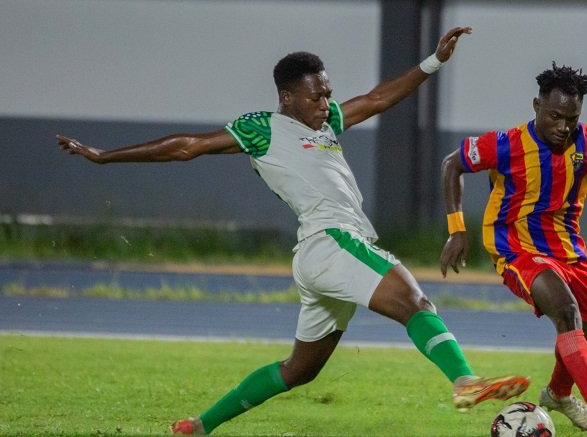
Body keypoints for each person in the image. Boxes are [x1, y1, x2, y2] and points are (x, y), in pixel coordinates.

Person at [57, 26, 530, 435]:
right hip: (332, 239)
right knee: (416, 302)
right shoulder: (264, 128)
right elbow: (187, 146)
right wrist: (105, 156)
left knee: (299, 370)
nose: (327, 102)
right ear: (287, 97)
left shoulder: (326, 125)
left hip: (320, 255)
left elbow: (377, 98)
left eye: (327, 92)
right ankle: (466, 381)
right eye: (317, 95)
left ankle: (201, 425)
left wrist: (432, 62)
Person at [439, 62, 587, 437]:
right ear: (536, 105)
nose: (563, 126)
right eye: (555, 116)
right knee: (565, 311)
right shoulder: (504, 144)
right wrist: (457, 229)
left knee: (584, 335)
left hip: (568, 248)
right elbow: (451, 165)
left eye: (572, 117)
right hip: (515, 246)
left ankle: (558, 394)